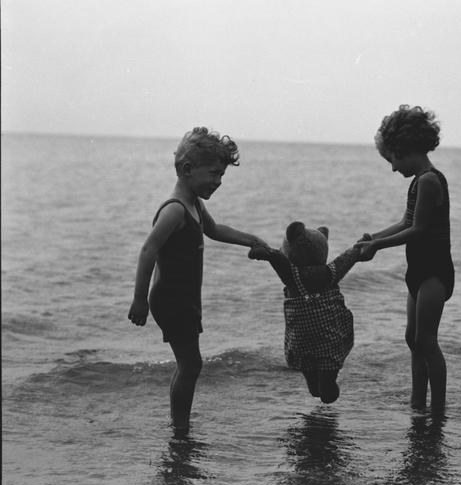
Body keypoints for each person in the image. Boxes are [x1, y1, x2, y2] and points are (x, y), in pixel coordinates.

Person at [128, 127, 267, 431]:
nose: (218, 182)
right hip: (171, 299)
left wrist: (252, 239)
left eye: (222, 176)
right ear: (187, 169)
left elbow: (215, 231)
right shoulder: (175, 210)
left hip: (184, 298)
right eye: (214, 174)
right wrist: (139, 299)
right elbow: (148, 249)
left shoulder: (195, 205)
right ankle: (180, 429)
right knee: (191, 364)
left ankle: (181, 426)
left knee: (189, 364)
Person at [356, 105, 454, 414]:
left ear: (406, 149)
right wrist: (374, 238)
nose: (393, 168)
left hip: (435, 272)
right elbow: (406, 221)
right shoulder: (418, 181)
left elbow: (419, 229)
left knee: (427, 341)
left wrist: (379, 247)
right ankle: (416, 403)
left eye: (393, 160)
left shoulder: (429, 180)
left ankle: (437, 409)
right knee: (413, 339)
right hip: (418, 270)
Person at [249, 222, 362, 403]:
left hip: (303, 339)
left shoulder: (292, 275)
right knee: (326, 376)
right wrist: (357, 250)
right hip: (329, 337)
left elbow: (278, 259)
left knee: (313, 381)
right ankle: (327, 383)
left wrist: (266, 253)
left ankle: (322, 383)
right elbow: (345, 259)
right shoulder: (330, 273)